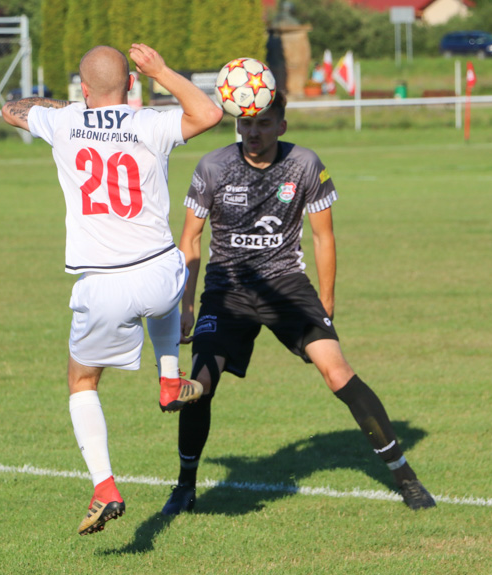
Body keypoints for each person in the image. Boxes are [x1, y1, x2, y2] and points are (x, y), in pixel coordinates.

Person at [163, 90, 436, 515]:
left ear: (281, 126)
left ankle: (406, 478)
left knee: (337, 372)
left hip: (287, 286)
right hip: (226, 289)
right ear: (238, 124)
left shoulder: (304, 164)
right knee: (202, 386)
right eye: (247, 123)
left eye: (264, 123)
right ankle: (184, 486)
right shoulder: (212, 166)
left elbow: (323, 237)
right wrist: (186, 306)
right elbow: (190, 239)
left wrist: (326, 301)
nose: (254, 132)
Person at [1, 43, 223, 535]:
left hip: (105, 283)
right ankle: (169, 377)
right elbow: (209, 112)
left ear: (83, 90)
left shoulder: (63, 122)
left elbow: (12, 110)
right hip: (164, 275)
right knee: (163, 283)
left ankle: (104, 488)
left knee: (82, 382)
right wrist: (164, 69)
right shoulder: (149, 123)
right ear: (132, 86)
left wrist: (79, 109)